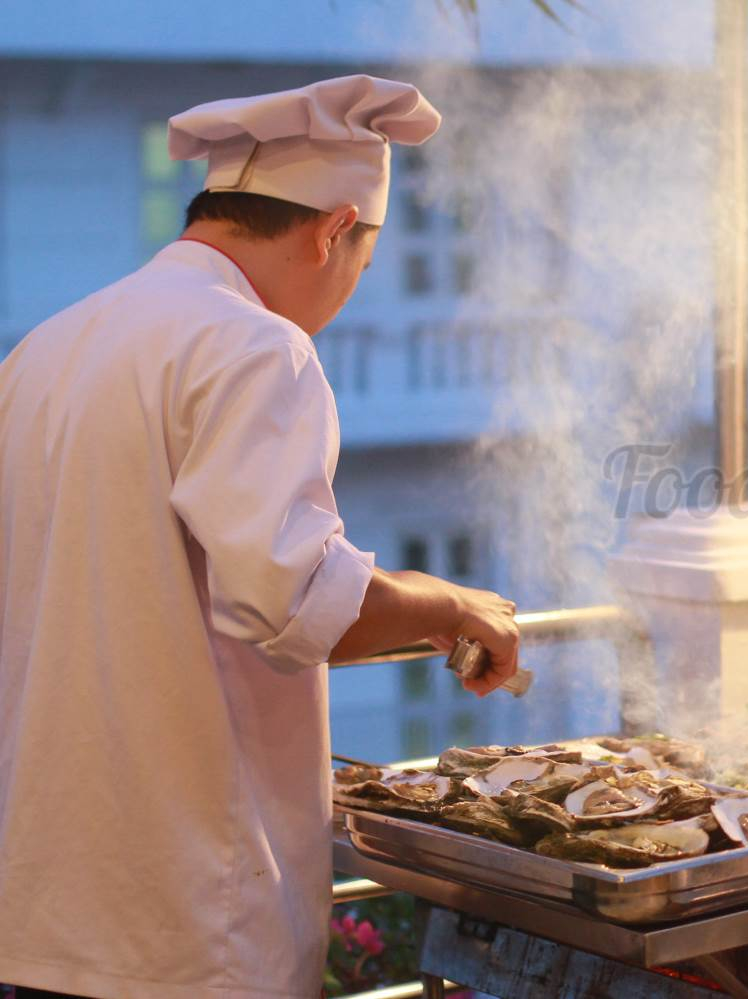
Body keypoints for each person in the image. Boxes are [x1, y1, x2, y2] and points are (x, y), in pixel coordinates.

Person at [0, 76, 520, 998]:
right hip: (185, 928)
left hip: (40, 909)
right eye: (363, 262)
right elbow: (296, 603)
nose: (349, 290)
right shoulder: (255, 346)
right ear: (332, 230)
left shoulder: (45, 347)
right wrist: (445, 600)